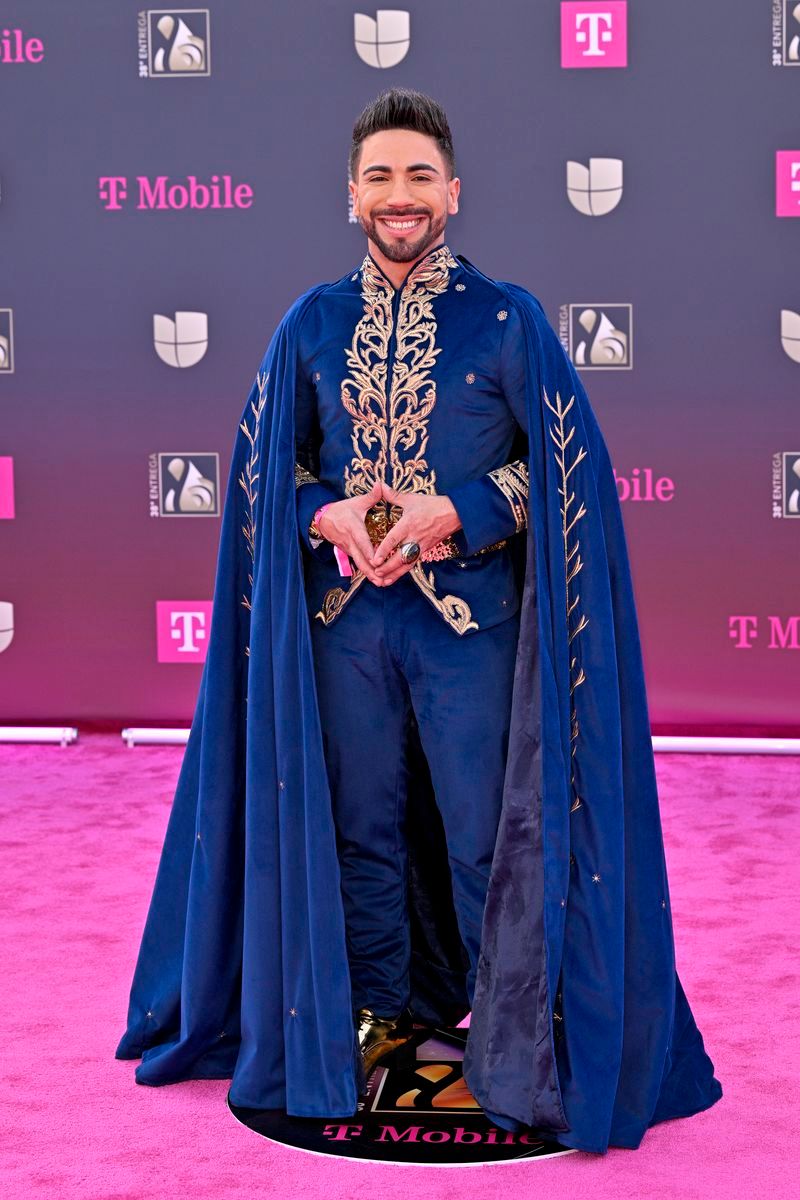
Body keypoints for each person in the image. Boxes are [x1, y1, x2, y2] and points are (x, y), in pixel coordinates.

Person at [116, 88, 722, 1154]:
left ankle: (511, 1041)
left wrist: (463, 510)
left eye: (419, 176)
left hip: (471, 632)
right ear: (351, 195)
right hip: (342, 632)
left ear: (452, 192)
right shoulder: (309, 322)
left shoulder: (508, 319)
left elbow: (564, 474)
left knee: (493, 833)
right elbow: (270, 473)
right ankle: (373, 1021)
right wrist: (326, 508)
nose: (400, 197)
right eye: (380, 177)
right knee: (357, 835)